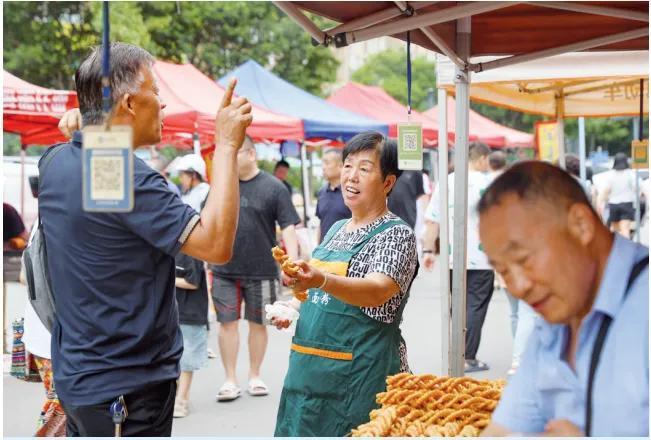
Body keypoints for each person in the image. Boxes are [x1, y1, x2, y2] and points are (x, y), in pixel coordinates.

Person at [41, 42, 252, 436]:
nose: (163, 105)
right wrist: (225, 146)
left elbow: (83, 140)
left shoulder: (55, 162)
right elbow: (216, 245)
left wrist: (90, 122)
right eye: (156, 93)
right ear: (129, 104)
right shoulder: (125, 177)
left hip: (84, 378)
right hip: (126, 389)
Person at [478, 161, 648, 437]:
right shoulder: (555, 320)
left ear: (581, 225)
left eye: (524, 259)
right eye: (503, 270)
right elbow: (503, 430)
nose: (518, 287)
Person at [273, 132, 419, 436]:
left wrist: (321, 279)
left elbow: (378, 290)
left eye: (364, 169)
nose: (351, 176)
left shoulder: (395, 234)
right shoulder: (338, 228)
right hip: (307, 375)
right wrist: (291, 304)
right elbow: (315, 289)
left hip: (363, 381)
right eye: (348, 165)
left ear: (387, 182)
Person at [210, 136, 301, 402]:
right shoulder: (221, 185)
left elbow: (289, 227)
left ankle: (254, 375)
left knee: (259, 324)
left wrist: (291, 264)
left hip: (262, 269)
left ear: (250, 154)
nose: (230, 158)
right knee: (226, 325)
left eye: (235, 153)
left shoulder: (274, 188)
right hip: (224, 269)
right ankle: (229, 379)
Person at [422, 142, 494, 373]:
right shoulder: (490, 184)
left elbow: (433, 219)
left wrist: (428, 250)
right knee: (475, 306)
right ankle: (467, 357)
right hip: (483, 258)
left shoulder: (448, 182)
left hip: (454, 257)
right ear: (482, 159)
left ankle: (458, 352)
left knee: (459, 305)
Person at [173, 198, 210, 418]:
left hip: (192, 313)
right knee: (176, 358)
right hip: (175, 312)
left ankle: (182, 400)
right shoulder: (171, 248)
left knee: (187, 359)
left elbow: (193, 282)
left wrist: (169, 280)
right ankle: (177, 397)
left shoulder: (192, 252)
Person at [315, 148, 351, 243]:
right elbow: (321, 224)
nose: (323, 167)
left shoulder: (351, 191)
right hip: (324, 254)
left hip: (344, 254)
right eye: (322, 163)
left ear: (340, 166)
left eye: (327, 163)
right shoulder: (321, 192)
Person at [600, 152, 636, 238]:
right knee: (625, 228)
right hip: (627, 204)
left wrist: (601, 201)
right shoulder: (630, 174)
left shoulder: (611, 175)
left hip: (614, 204)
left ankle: (615, 247)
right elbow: (636, 187)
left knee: (615, 228)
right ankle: (627, 248)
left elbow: (606, 190)